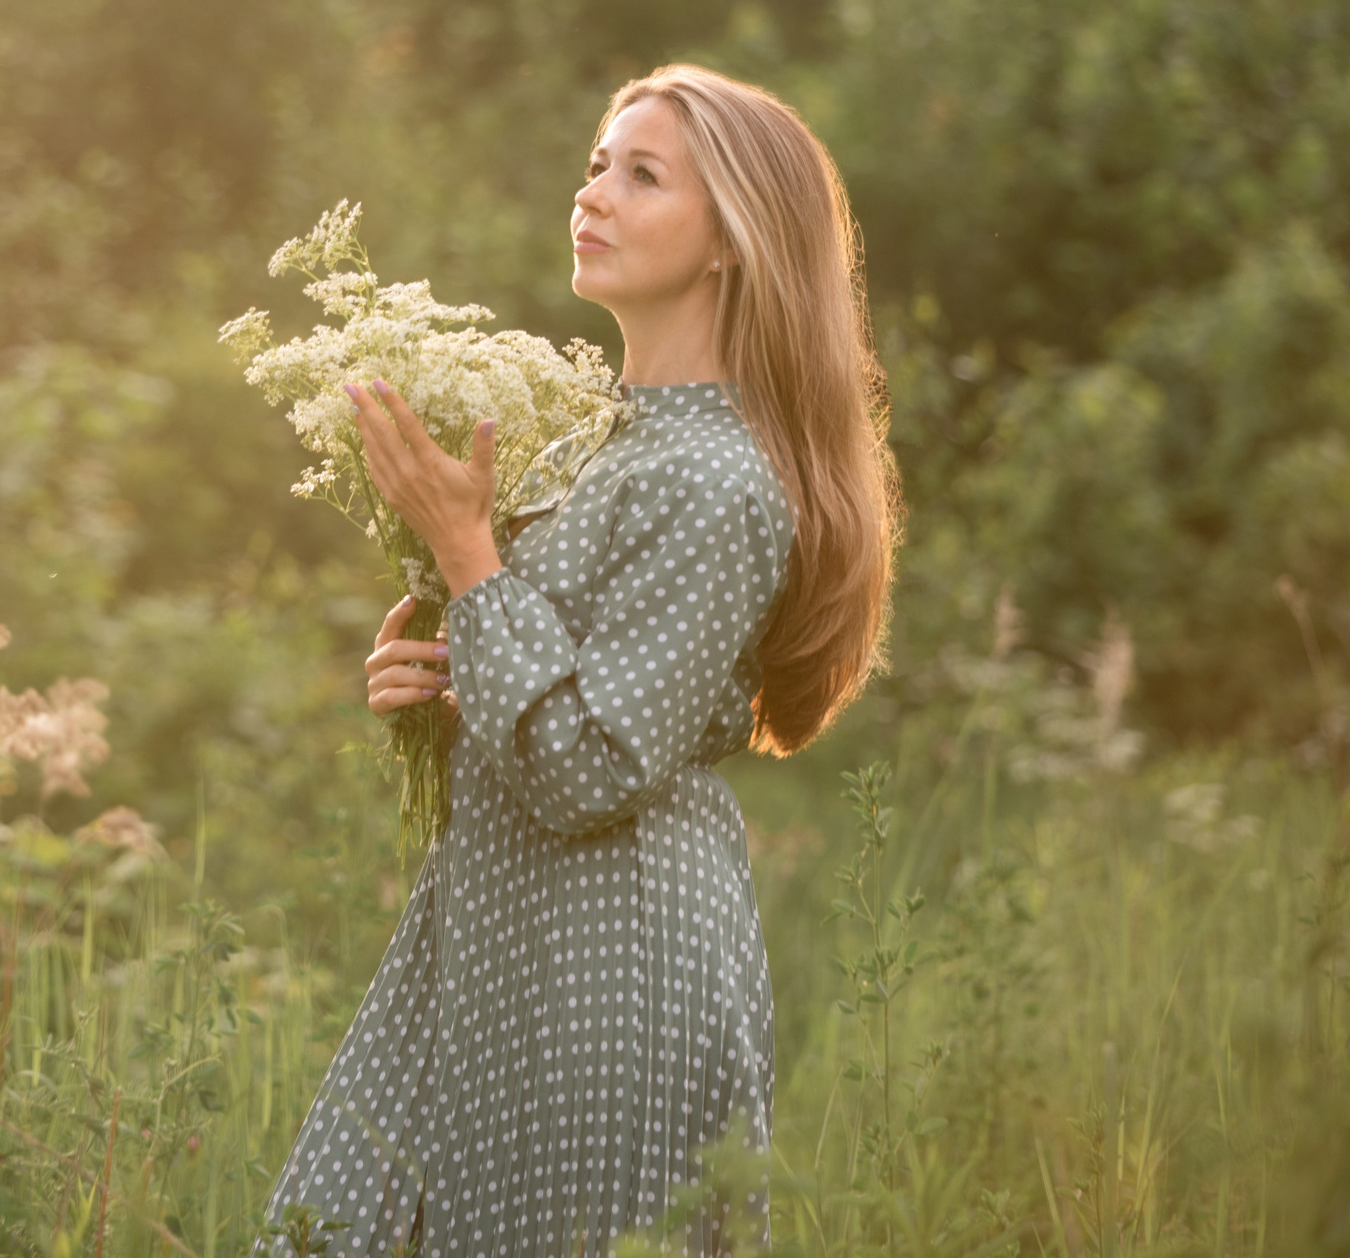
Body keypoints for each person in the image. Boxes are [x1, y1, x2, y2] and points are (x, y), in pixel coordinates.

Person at [262, 64, 900, 1256]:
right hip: (502, 932)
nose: (592, 191)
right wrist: (436, 686)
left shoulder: (716, 480)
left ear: (730, 239)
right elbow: (549, 696)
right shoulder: (597, 443)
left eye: (641, 174)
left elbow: (590, 765)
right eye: (598, 163)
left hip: (614, 952)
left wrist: (468, 555)